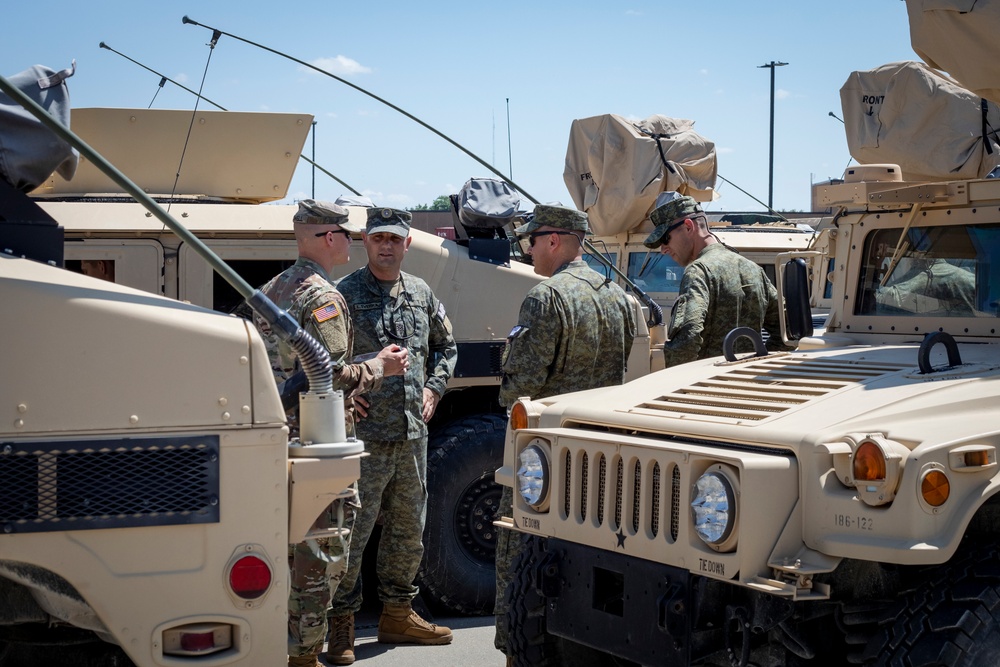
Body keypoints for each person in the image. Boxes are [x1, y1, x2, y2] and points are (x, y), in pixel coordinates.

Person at [252, 199, 409, 667]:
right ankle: (303, 657)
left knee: (282, 547)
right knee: (321, 554)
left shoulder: (272, 288)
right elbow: (330, 374)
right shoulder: (322, 296)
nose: (349, 241)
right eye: (344, 233)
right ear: (327, 238)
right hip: (318, 444)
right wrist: (380, 367)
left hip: (278, 435)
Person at [493, 203, 636, 663]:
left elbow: (519, 390)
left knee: (517, 557)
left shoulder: (546, 297)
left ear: (553, 240)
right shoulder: (615, 295)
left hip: (544, 460)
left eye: (531, 241)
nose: (529, 251)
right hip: (598, 458)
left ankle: (516, 650)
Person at [326, 207, 458, 665]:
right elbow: (322, 364)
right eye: (378, 237)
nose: (386, 246)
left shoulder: (420, 293)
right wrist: (345, 397)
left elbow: (446, 347)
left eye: (394, 239)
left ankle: (398, 613)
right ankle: (339, 622)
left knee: (407, 530)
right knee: (353, 531)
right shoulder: (344, 294)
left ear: (406, 244)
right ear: (365, 241)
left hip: (412, 435)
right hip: (364, 437)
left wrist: (433, 389)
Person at [643, 191, 787, 366]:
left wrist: (678, 383)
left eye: (666, 239)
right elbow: (787, 330)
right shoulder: (753, 269)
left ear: (688, 227)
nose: (663, 249)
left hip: (707, 386)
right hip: (748, 381)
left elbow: (687, 338)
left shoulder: (699, 271)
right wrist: (758, 362)